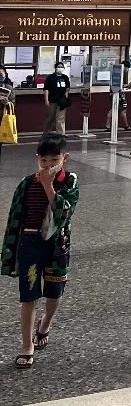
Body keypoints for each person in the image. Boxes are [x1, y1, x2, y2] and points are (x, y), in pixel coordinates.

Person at [3, 135, 79, 368]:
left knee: (54, 291)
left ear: (64, 158)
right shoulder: (26, 183)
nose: (48, 165)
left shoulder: (70, 181)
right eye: (44, 160)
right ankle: (27, 345)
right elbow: (15, 216)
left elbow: (64, 212)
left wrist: (48, 185)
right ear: (37, 158)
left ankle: (45, 323)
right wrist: (11, 248)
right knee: (29, 294)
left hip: (56, 245)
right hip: (30, 243)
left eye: (54, 159)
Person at [42, 61, 71, 136]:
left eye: (62, 67)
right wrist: (46, 100)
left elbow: (67, 89)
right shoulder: (50, 78)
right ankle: (46, 131)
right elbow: (46, 89)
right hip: (52, 100)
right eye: (59, 67)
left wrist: (66, 97)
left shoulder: (65, 77)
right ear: (55, 68)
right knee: (51, 117)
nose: (60, 68)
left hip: (62, 101)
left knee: (60, 118)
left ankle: (60, 134)